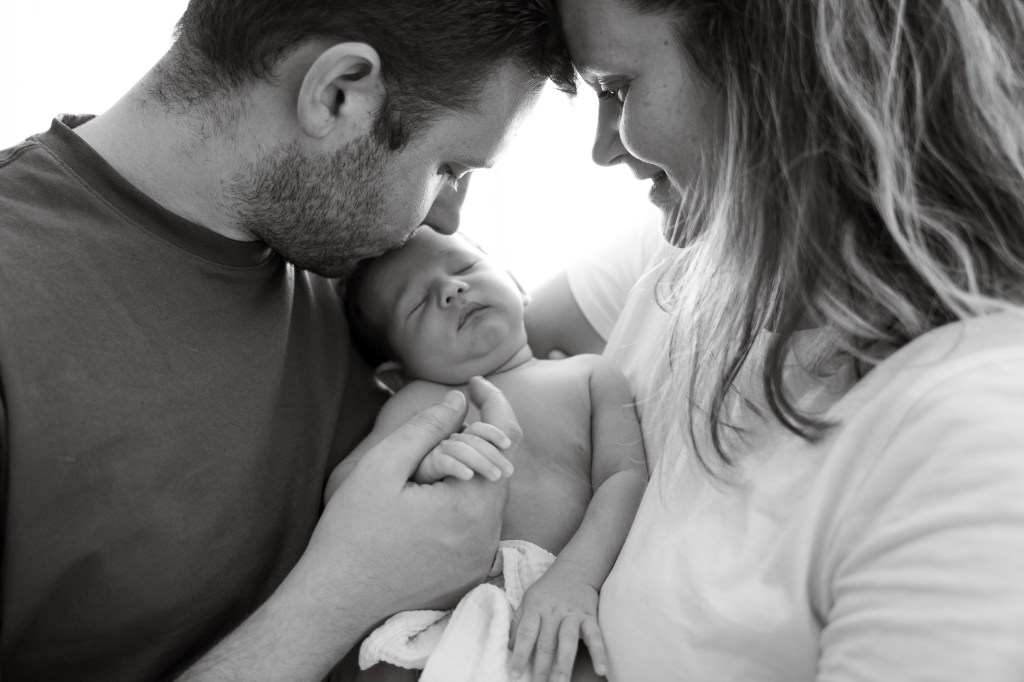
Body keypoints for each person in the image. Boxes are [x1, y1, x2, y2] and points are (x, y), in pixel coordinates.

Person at [0, 2, 578, 680]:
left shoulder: (353, 266)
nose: (448, 218)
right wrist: (340, 595)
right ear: (339, 93)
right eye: (449, 167)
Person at [531, 0, 1024, 680]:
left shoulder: (974, 440)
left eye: (618, 89)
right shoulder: (694, 252)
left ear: (770, 74)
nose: (603, 146)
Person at [333, 227, 648, 682]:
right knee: (383, 666)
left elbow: (625, 478)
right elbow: (347, 489)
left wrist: (577, 575)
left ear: (518, 286)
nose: (451, 289)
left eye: (465, 268)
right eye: (418, 303)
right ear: (395, 377)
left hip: (560, 583)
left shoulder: (588, 375)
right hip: (440, 605)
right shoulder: (421, 400)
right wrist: (419, 466)